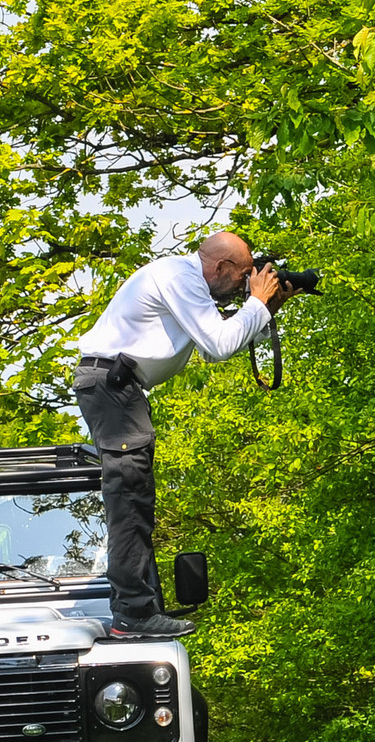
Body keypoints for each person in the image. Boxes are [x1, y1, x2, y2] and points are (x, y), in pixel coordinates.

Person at [74, 231, 291, 638]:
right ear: (221, 267)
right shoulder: (181, 277)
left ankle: (139, 608)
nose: (243, 285)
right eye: (243, 275)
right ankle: (134, 614)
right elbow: (221, 343)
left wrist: (268, 306)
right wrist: (257, 303)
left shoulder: (185, 281)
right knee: (129, 499)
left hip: (115, 387)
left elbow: (211, 349)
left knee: (134, 498)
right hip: (112, 386)